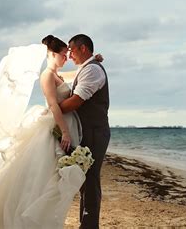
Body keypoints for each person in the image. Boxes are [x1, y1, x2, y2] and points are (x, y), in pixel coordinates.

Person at [0, 35, 86, 228]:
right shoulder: (46, 76)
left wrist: (90, 63)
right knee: (40, 179)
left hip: (58, 127)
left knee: (47, 178)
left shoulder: (57, 75)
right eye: (63, 54)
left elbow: (71, 77)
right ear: (52, 54)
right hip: (54, 129)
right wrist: (65, 132)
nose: (67, 58)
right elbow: (54, 105)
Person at [59, 34, 110, 229]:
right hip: (87, 131)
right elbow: (74, 78)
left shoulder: (94, 71)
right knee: (84, 179)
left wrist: (54, 109)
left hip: (96, 132)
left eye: (72, 50)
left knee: (90, 179)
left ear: (83, 48)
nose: (70, 55)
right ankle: (86, 223)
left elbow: (76, 101)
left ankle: (90, 225)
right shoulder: (88, 68)